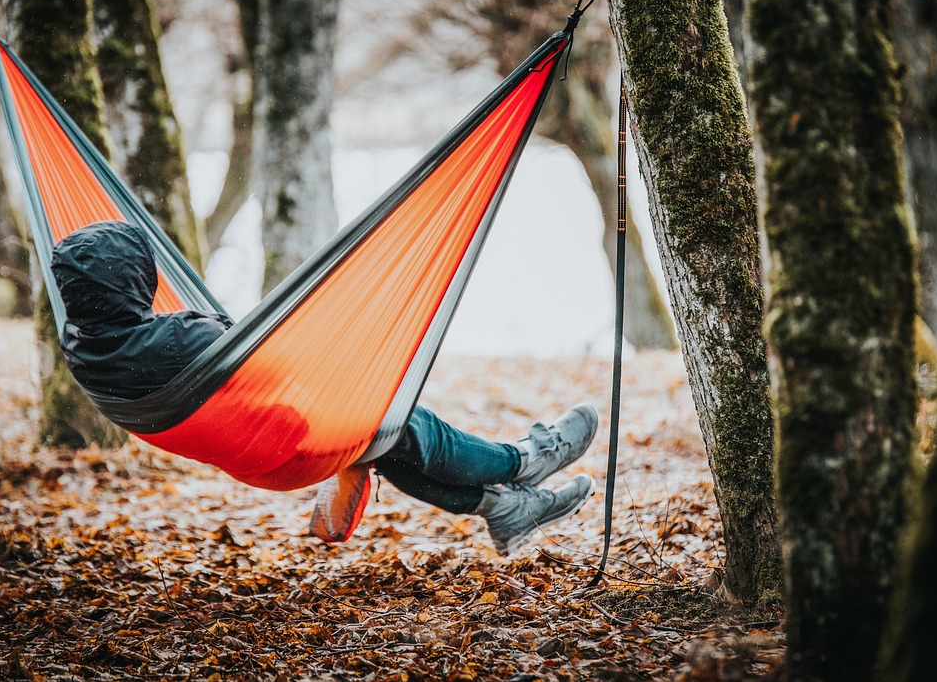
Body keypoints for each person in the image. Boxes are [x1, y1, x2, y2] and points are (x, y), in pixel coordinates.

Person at [51, 220, 598, 556]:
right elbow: (271, 362)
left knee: (381, 441)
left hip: (253, 458)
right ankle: (522, 460)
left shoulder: (81, 347)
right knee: (391, 416)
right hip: (288, 445)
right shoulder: (180, 339)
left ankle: (502, 510)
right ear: (133, 279)